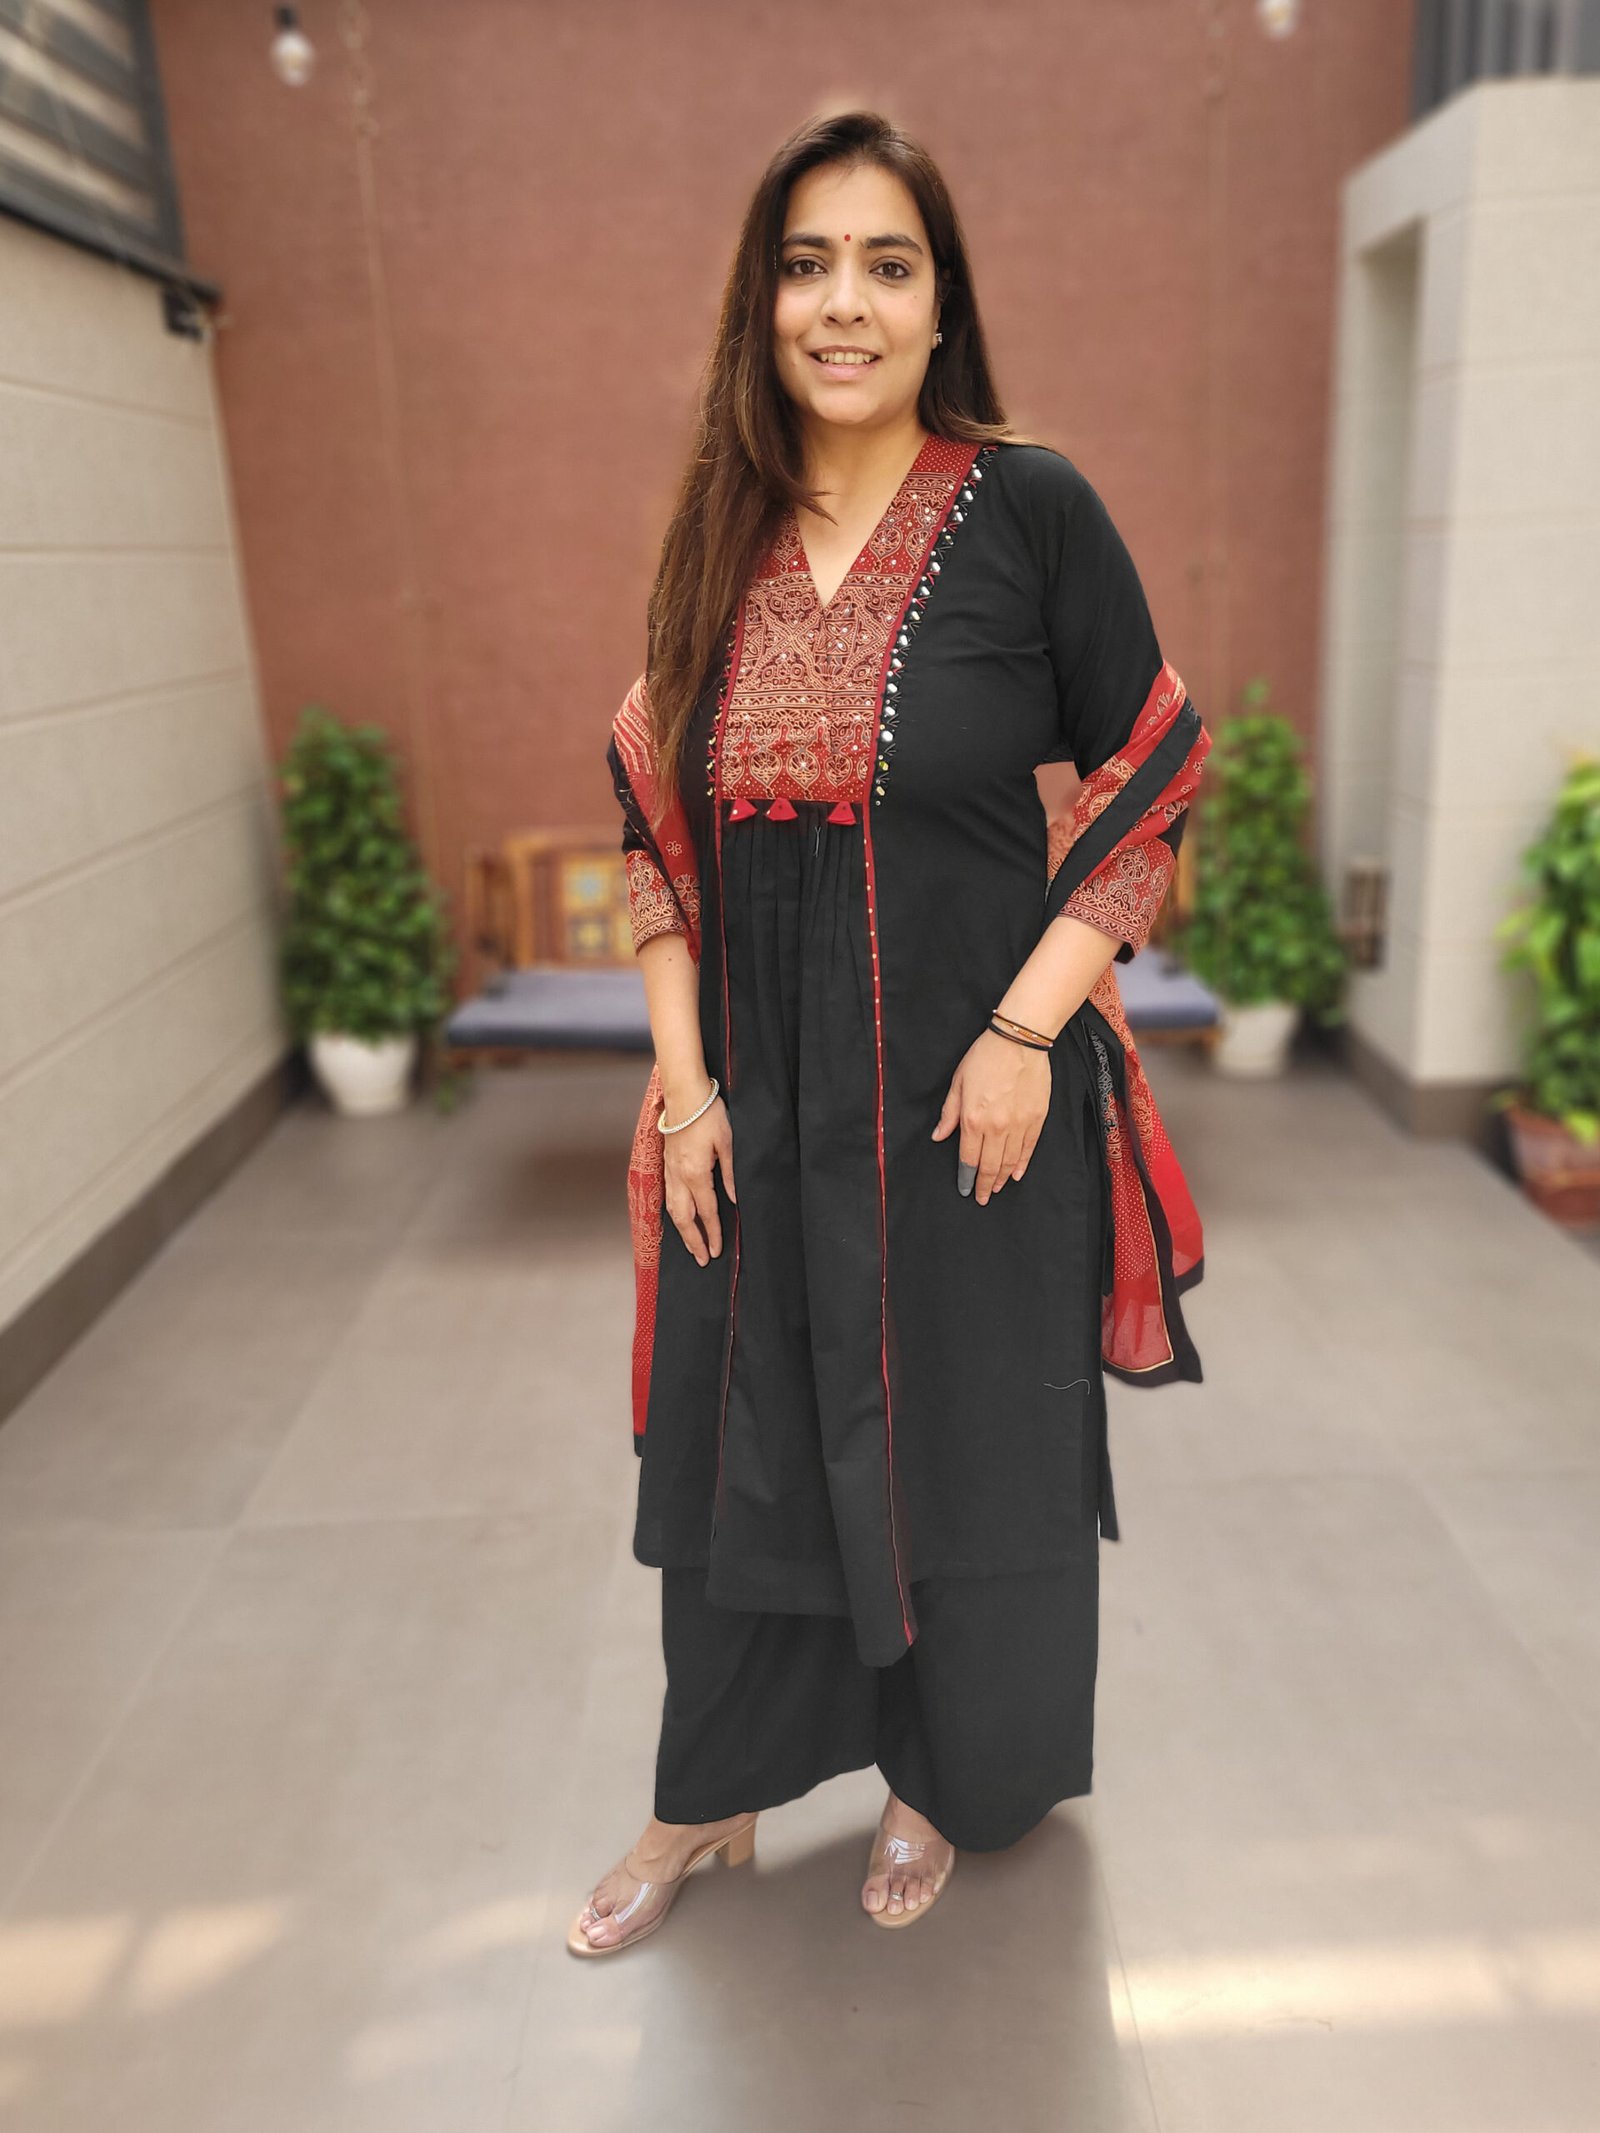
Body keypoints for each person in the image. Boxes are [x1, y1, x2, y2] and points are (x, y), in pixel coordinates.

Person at [570, 110, 1211, 1957]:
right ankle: (710, 1791)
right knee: (745, 1440)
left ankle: (946, 1773)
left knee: (968, 1447)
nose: (841, 302)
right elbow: (656, 829)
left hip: (967, 1106)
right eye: (805, 264)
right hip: (759, 1113)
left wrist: (1024, 1032)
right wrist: (682, 1088)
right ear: (760, 304)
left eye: (885, 263)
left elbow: (1153, 766)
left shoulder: (1029, 506)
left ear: (942, 307)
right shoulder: (719, 536)